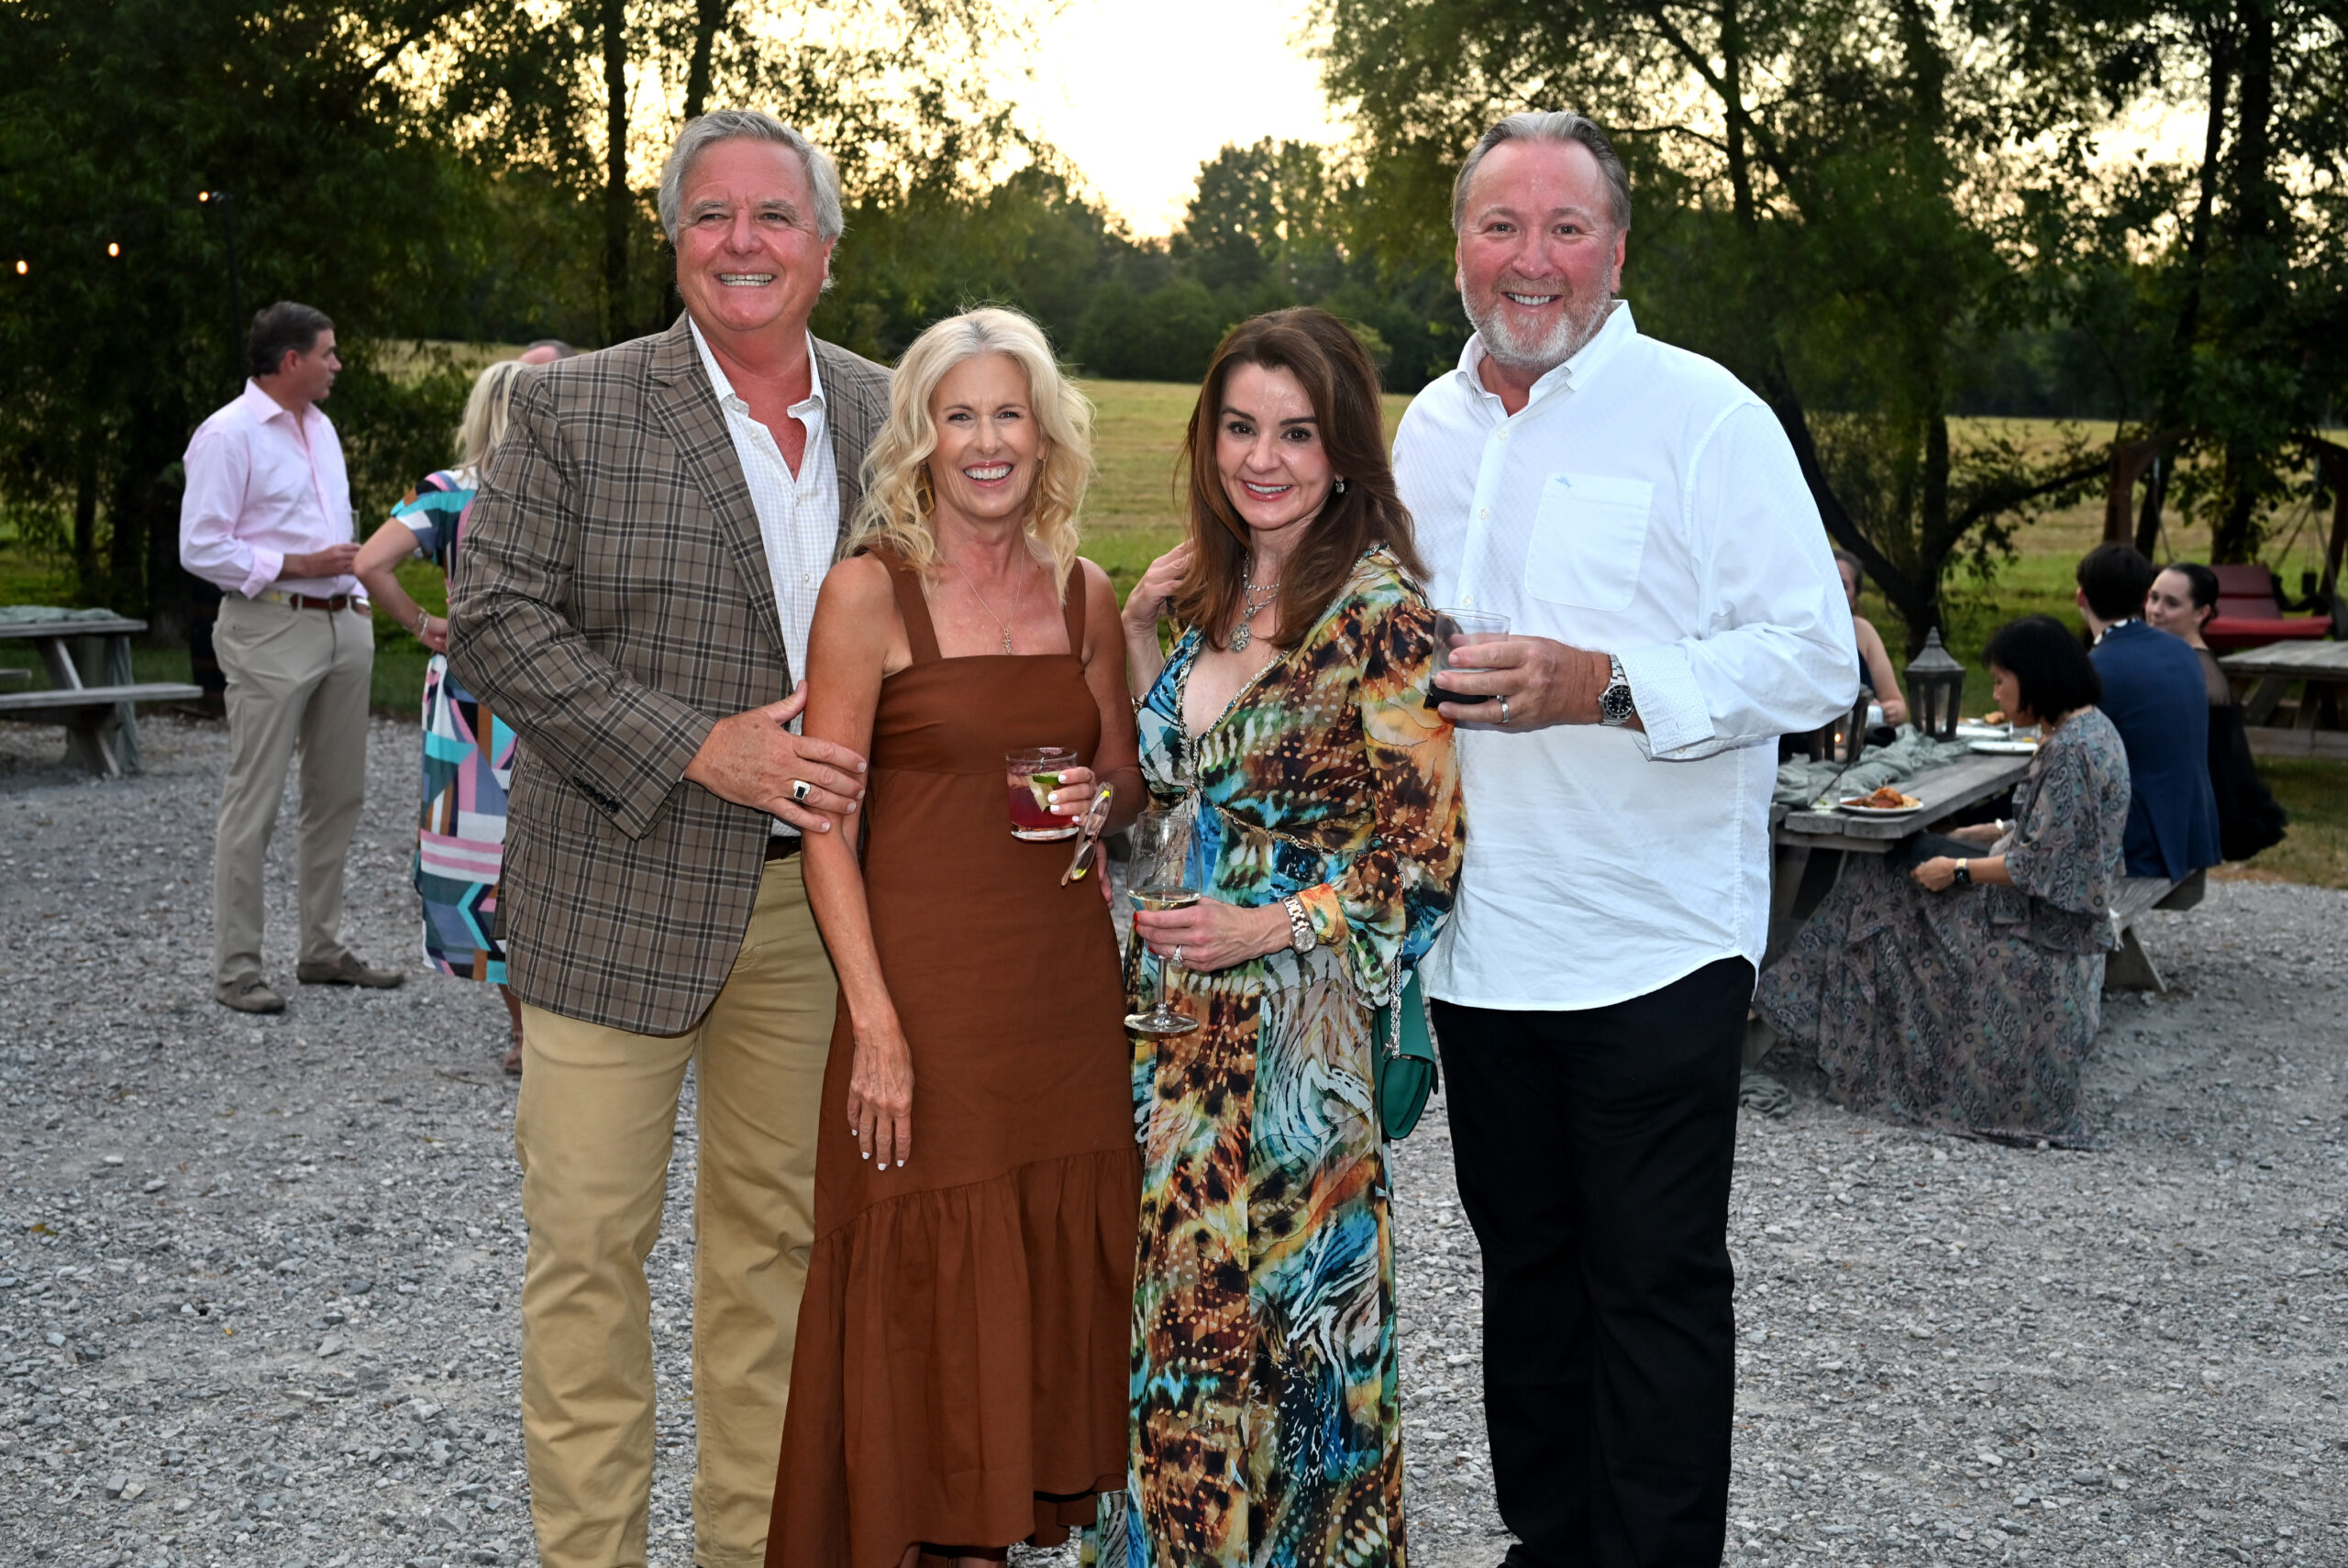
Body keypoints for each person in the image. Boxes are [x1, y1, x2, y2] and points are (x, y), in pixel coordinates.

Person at [1390, 112, 1857, 1567]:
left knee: (1650, 1288)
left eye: (1566, 226)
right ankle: (1550, 1544)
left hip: (1655, 941)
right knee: (1527, 1281)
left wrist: (1604, 682)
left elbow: (1815, 659)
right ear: (1460, 246)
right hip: (1482, 942)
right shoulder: (1426, 427)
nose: (1531, 259)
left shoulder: (1705, 416)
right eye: (1501, 225)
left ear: (1618, 247)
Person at [446, 110, 888, 1568]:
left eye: (774, 215)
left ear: (826, 244)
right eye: (711, 215)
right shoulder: (571, 410)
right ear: (673, 241)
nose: (741, 241)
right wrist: (699, 746)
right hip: (611, 898)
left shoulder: (895, 416)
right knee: (588, 1261)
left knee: (779, 1262)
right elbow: (494, 624)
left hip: (817, 914)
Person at [765, 307, 1143, 1567]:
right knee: (925, 1273)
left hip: (1061, 1001)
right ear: (920, 436)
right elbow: (825, 825)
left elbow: (1125, 779)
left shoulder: (1085, 594)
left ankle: (999, 1534)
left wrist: (1100, 800)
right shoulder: (867, 592)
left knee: (1038, 1269)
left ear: (1046, 434)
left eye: (1009, 414)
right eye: (959, 415)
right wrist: (875, 1023)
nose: (987, 442)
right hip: (927, 996)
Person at [1109, 306, 1463, 1565]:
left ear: (1344, 448)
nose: (1262, 459)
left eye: (1297, 433)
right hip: (1172, 1041)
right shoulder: (1214, 591)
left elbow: (1425, 859)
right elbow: (1172, 780)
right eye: (1240, 428)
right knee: (1179, 1345)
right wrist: (1140, 631)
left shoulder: (1379, 613)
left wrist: (1267, 921)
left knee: (1293, 1358)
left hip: (1296, 1052)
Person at [1756, 615, 2131, 1144]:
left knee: (1877, 887)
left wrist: (1955, 868)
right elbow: (2065, 834)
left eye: (2000, 681)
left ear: (2035, 677)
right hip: (2053, 916)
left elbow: (2039, 869)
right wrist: (1993, 830)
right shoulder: (2093, 731)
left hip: (2039, 929)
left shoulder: (2071, 752)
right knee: (1891, 869)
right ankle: (1803, 1013)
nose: (1995, 693)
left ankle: (1795, 1019)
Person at [180, 300, 406, 1014]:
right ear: (290, 361)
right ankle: (238, 969)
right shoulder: (228, 434)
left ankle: (322, 949)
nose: (337, 364)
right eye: (328, 353)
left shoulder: (322, 427)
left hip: (344, 626)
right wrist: (297, 565)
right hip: (271, 627)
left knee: (339, 795)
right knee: (255, 799)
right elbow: (200, 546)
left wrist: (354, 597)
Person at [353, 359, 530, 1072]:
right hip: (556, 689)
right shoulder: (573, 486)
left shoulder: (446, 492)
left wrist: (425, 624)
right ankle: (561, 1026)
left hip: (471, 698)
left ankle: (523, 1031)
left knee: (483, 858)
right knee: (558, 848)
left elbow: (369, 564)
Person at [2075, 542, 2220, 881]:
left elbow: (2068, 765)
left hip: (2139, 845)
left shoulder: (2095, 671)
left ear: (2081, 597)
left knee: (1973, 839)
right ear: (2144, 598)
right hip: (2188, 832)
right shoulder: (2183, 652)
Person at [2143, 562, 2287, 862]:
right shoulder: (2177, 659)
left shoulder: (2197, 671)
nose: (2155, 610)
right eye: (2153, 597)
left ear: (2201, 613)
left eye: (2171, 603)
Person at [1833, 548, 1910, 725]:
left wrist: (1889, 711)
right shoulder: (1797, 629)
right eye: (1829, 582)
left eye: (1843, 586)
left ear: (1854, 599)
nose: (1834, 591)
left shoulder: (1863, 632)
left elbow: (1896, 703)